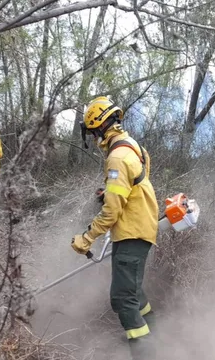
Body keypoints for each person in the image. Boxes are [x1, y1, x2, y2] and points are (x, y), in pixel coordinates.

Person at [71, 96, 159, 359]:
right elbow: (133, 186)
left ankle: (146, 354)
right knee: (132, 293)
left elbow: (112, 211)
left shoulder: (117, 157)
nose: (94, 137)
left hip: (132, 232)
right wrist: (109, 191)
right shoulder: (133, 147)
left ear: (98, 127)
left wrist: (87, 237)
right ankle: (155, 337)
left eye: (93, 132)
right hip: (139, 228)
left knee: (123, 299)